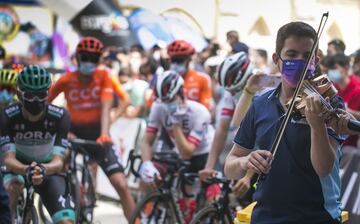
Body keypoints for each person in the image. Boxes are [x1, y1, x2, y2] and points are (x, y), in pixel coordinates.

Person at [224, 21, 344, 223]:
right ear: (276, 59)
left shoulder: (329, 102)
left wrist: (317, 126)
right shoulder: (261, 103)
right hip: (265, 216)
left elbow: (324, 168)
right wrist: (245, 161)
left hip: (316, 217)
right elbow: (230, 165)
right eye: (291, 55)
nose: (300, 61)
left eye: (307, 56)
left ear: (315, 60)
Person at [48, 37, 135, 220]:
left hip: (98, 134)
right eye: (85, 57)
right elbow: (45, 104)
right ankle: (62, 203)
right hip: (72, 132)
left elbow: (106, 106)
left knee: (121, 184)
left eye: (94, 58)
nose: (89, 62)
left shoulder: (104, 76)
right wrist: (59, 130)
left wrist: (104, 133)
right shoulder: (66, 80)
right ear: (77, 58)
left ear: (99, 60)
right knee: (58, 164)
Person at [0, 65, 74, 223]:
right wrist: (26, 169)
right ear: (19, 94)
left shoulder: (60, 116)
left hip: (46, 169)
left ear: (48, 93)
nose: (36, 100)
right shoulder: (7, 115)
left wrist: (42, 169)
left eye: (41, 95)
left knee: (66, 221)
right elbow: (8, 159)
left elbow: (58, 161)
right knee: (13, 187)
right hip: (16, 169)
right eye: (30, 95)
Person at [139, 70, 214, 223]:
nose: (166, 104)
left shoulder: (200, 112)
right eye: (163, 100)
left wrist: (176, 124)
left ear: (181, 93)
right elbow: (146, 142)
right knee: (147, 178)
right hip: (177, 152)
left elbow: (187, 152)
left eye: (170, 99)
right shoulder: (158, 107)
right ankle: (151, 211)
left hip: (201, 155)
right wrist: (146, 164)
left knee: (192, 204)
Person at [199, 52, 263, 200]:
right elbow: (221, 130)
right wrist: (209, 166)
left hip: (264, 157)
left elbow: (264, 142)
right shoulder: (230, 93)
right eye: (231, 91)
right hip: (246, 155)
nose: (234, 94)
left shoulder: (264, 92)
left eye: (237, 90)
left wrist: (247, 177)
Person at [325, 53, 360, 147]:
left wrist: (347, 111)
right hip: (335, 140)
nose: (331, 71)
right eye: (330, 69)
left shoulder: (357, 88)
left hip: (351, 145)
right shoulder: (333, 88)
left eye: (335, 68)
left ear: (346, 68)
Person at [167, 40, 212, 109]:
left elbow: (205, 108)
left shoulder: (203, 79)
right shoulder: (165, 80)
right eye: (173, 60)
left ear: (189, 60)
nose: (176, 63)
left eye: (179, 60)